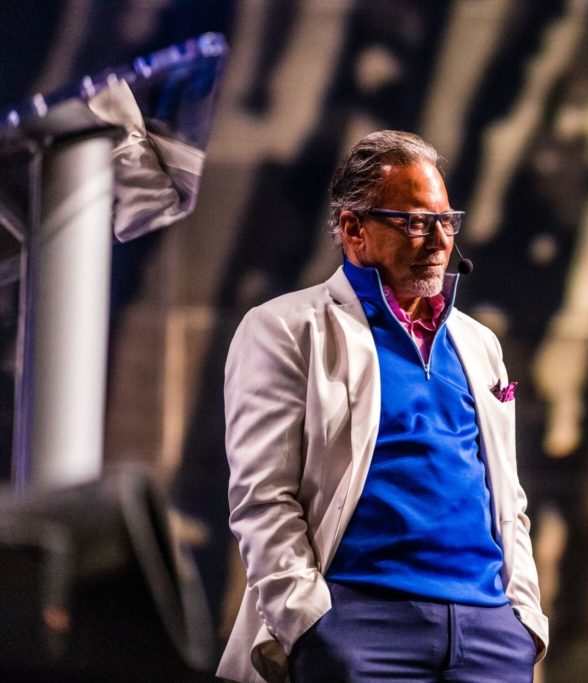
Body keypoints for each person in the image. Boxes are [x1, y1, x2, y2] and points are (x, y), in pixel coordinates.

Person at [217, 130, 547, 683]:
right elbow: (261, 497)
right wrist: (313, 625)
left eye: (446, 220)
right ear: (354, 230)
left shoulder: (478, 343)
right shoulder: (285, 329)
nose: (438, 239)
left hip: (488, 632)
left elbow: (507, 498)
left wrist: (523, 621)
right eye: (415, 221)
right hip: (361, 627)